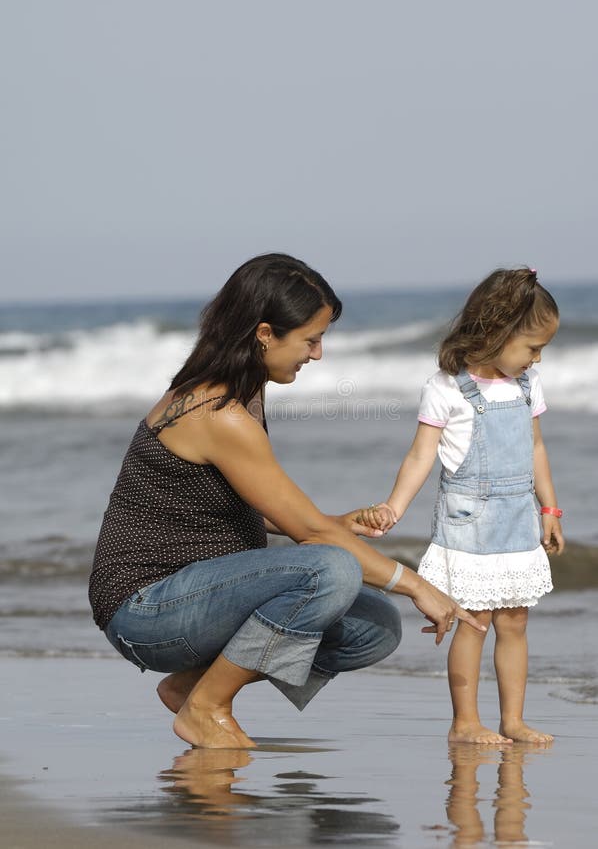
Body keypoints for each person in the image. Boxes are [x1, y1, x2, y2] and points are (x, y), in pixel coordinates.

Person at [89, 253, 484, 749]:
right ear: (264, 334)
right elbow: (313, 539)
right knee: (331, 570)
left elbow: (222, 506)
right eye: (310, 340)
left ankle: (194, 689)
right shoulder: (217, 410)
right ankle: (207, 709)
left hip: (195, 593)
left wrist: (331, 523)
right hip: (144, 609)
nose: (317, 354)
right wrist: (417, 586)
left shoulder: (242, 393)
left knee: (375, 626)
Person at [357, 267, 564, 745]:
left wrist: (549, 509)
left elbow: (536, 449)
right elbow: (421, 455)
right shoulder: (448, 387)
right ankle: (465, 722)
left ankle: (512, 719)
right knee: (473, 623)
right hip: (468, 528)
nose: (536, 359)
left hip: (517, 523)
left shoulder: (526, 385)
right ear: (496, 330)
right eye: (532, 347)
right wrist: (394, 506)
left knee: (515, 622)